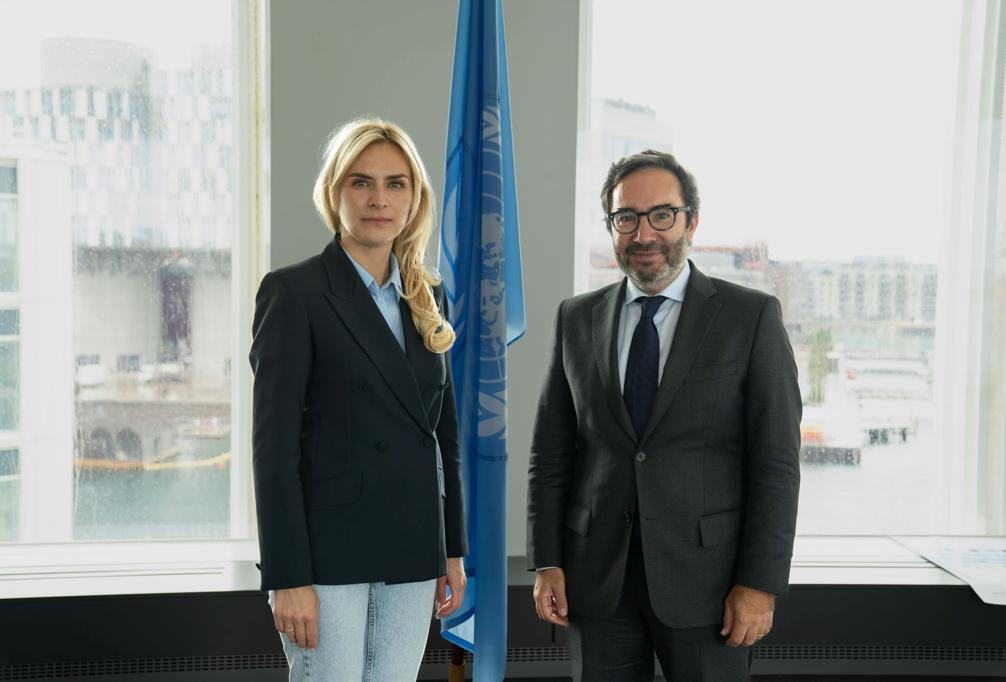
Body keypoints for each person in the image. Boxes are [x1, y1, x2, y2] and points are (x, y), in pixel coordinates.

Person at [527, 149, 801, 681]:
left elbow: (777, 464)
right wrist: (548, 560)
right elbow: (551, 453)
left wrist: (760, 583)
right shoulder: (575, 318)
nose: (644, 234)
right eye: (626, 217)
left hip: (712, 587)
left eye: (661, 215)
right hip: (595, 582)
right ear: (611, 226)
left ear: (690, 222)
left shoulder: (750, 317)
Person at [249, 117, 468, 681]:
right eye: (361, 182)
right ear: (334, 192)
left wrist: (451, 549)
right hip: (326, 554)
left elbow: (443, 435)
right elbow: (273, 451)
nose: (379, 199)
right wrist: (286, 576)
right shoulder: (294, 292)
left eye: (396, 183)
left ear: (415, 198)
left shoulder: (429, 294)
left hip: (413, 547)